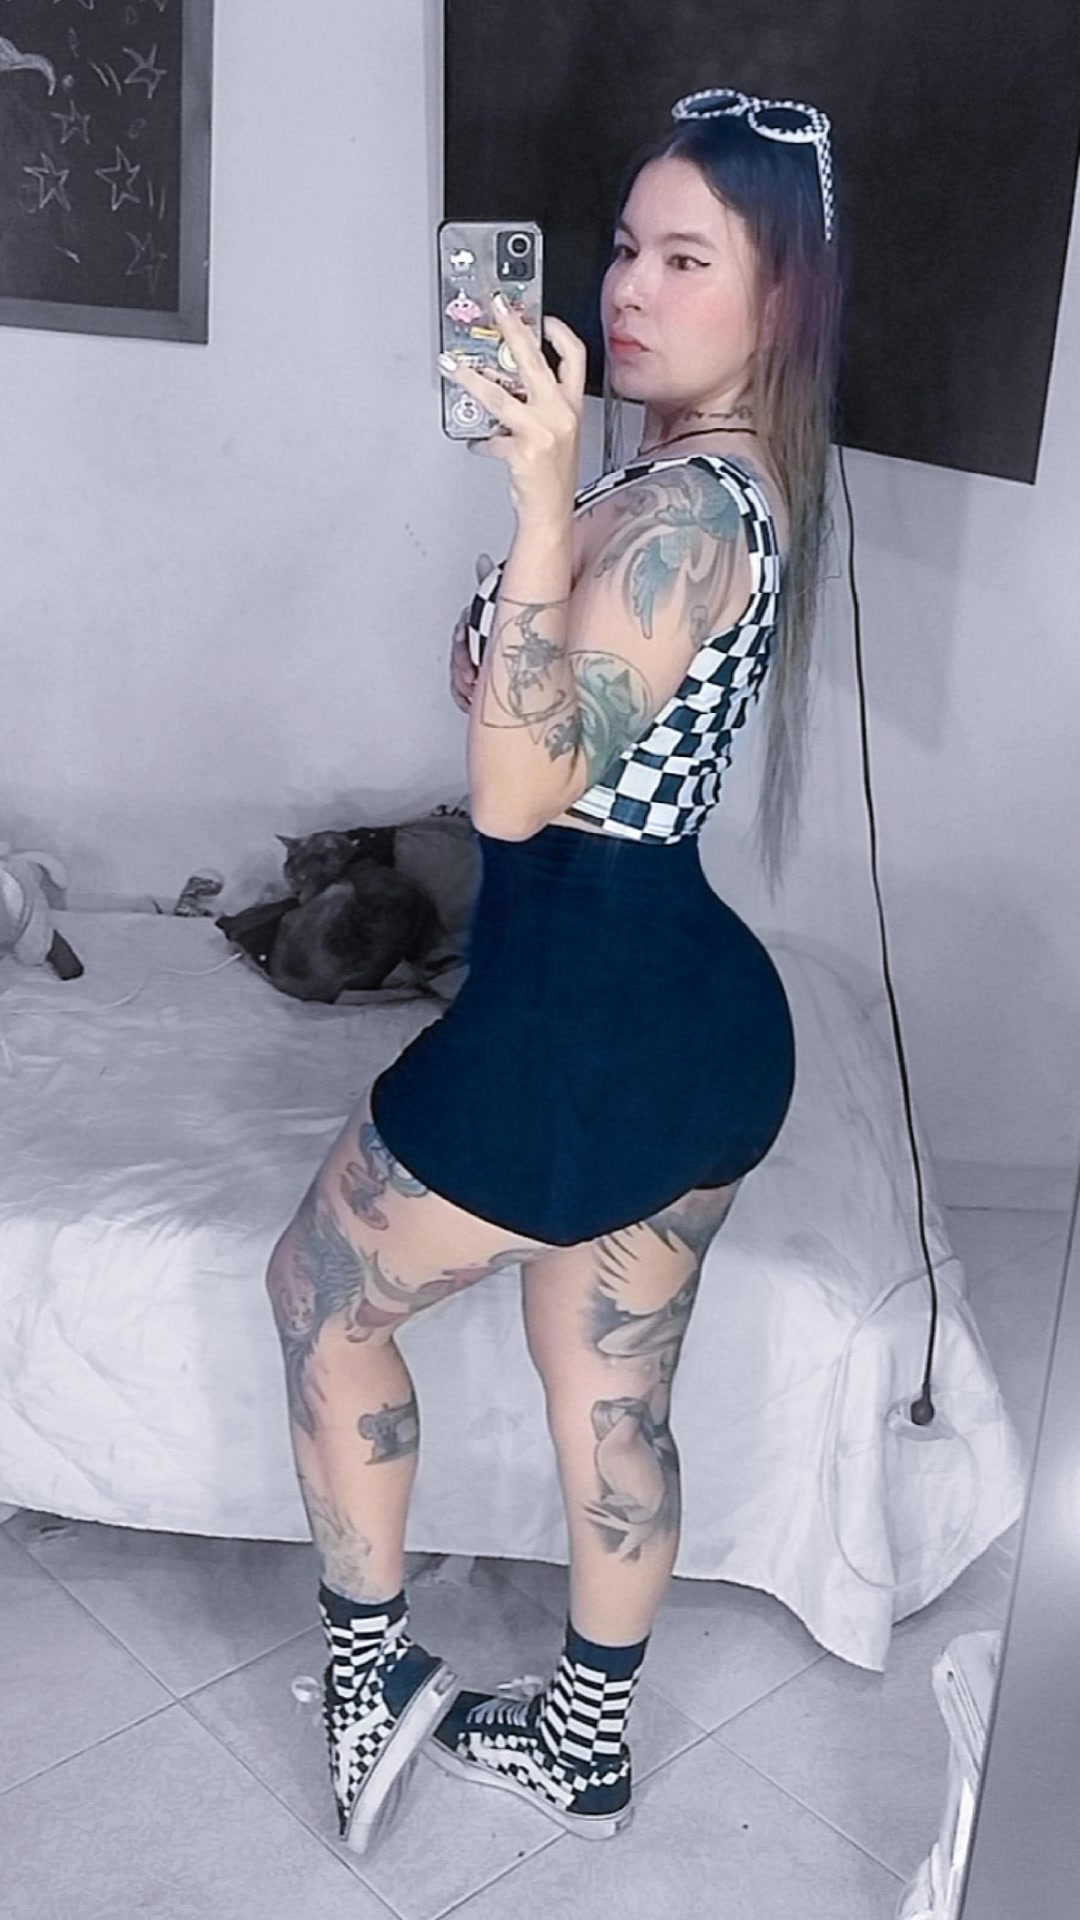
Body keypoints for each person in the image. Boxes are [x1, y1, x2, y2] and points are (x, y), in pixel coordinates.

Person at [265, 88, 844, 1857]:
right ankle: (587, 1746)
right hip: (695, 1028)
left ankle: (373, 1679)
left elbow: (516, 797)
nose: (632, 286)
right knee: (613, 1391)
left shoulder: (679, 519)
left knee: (319, 1295)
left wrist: (532, 504)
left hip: (578, 1025)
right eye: (626, 247)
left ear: (781, 304)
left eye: (690, 260)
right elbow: (539, 724)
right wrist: (546, 519)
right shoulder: (692, 483)